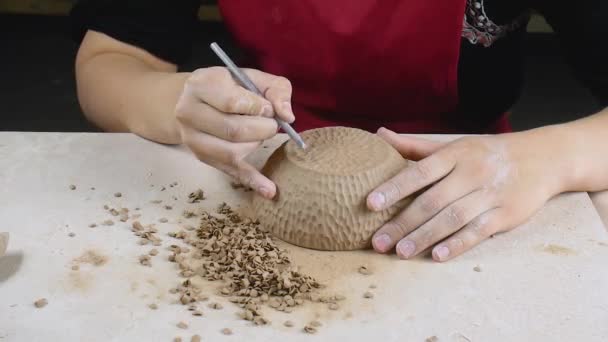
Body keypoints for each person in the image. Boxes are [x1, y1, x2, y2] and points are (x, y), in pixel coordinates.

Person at [69, 0, 608, 262]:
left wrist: (543, 158)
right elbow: (108, 61)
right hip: (271, 164)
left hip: (472, 190)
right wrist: (179, 106)